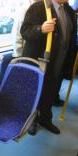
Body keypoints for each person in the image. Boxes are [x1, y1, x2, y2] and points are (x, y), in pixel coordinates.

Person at [20, 0, 77, 135]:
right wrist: (41, 29)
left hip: (58, 62)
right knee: (35, 92)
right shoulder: (39, 7)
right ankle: (31, 121)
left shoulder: (69, 11)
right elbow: (25, 31)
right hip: (39, 61)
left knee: (50, 92)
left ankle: (45, 119)